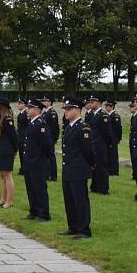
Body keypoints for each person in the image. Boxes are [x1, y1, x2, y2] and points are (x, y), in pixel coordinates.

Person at [60, 96, 95, 238]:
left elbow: (88, 151)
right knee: (69, 201)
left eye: (69, 109)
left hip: (78, 169)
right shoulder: (69, 127)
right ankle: (73, 226)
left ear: (77, 110)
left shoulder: (83, 127)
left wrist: (90, 165)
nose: (66, 112)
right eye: (65, 109)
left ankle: (84, 229)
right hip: (68, 169)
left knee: (80, 201)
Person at [23, 98, 53, 221]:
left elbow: (47, 145)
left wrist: (40, 158)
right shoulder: (32, 123)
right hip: (30, 161)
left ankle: (44, 213)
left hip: (38, 162)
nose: (27, 110)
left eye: (30, 108)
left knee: (39, 188)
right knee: (31, 188)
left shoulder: (41, 123)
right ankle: (34, 210)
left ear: (36, 109)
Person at [84, 94, 112, 195]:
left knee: (102, 166)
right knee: (93, 166)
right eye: (90, 102)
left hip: (100, 144)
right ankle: (95, 186)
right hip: (92, 144)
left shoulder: (103, 115)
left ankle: (104, 188)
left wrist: (106, 144)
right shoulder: (90, 114)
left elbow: (107, 132)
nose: (90, 103)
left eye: (93, 102)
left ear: (99, 103)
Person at [0, 97, 18, 209]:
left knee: (7, 175)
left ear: (2, 107)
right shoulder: (0, 119)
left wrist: (15, 150)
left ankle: (9, 200)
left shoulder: (8, 119)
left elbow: (13, 136)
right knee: (2, 175)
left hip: (7, 151)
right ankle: (3, 199)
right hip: (1, 150)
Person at [41, 95, 60, 181]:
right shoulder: (45, 113)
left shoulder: (52, 113)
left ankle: (53, 176)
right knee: (46, 157)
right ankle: (47, 173)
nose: (44, 102)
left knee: (51, 157)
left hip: (50, 139)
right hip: (46, 139)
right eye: (43, 100)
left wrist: (53, 140)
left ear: (50, 102)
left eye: (46, 100)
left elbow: (55, 128)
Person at [105, 100, 122, 176]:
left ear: (111, 106)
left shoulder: (115, 116)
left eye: (107, 106)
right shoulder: (107, 115)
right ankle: (109, 170)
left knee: (113, 155)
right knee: (108, 154)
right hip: (108, 138)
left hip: (114, 138)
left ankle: (115, 171)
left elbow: (118, 128)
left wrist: (118, 138)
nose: (106, 107)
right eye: (106, 106)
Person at [16, 98, 28, 175]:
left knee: (24, 154)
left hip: (24, 137)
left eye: (20, 103)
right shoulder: (21, 114)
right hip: (20, 137)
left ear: (24, 105)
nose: (18, 105)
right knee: (21, 154)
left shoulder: (26, 114)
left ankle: (25, 169)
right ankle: (22, 169)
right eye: (18, 103)